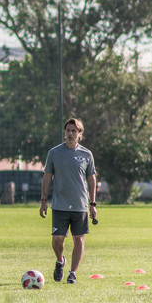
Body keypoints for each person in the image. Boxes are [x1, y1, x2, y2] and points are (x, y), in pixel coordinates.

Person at [39, 118, 97, 285]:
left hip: (80, 205)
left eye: (74, 131)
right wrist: (44, 200)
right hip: (59, 205)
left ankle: (72, 273)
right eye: (68, 131)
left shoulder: (86, 155)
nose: (70, 134)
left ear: (80, 134)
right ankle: (60, 261)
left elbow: (91, 180)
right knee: (57, 239)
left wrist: (92, 204)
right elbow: (47, 177)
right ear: (64, 133)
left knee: (78, 239)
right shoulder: (54, 153)